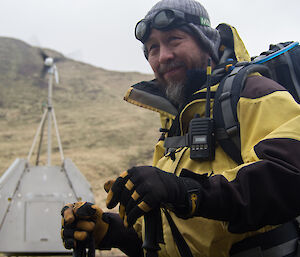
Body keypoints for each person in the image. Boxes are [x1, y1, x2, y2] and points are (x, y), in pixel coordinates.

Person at [61, 0, 300, 256]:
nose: (163, 56)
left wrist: (189, 192)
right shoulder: (173, 128)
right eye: (153, 48)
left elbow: (289, 172)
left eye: (174, 39)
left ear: (207, 44)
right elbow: (179, 235)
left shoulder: (252, 93)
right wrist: (111, 231)